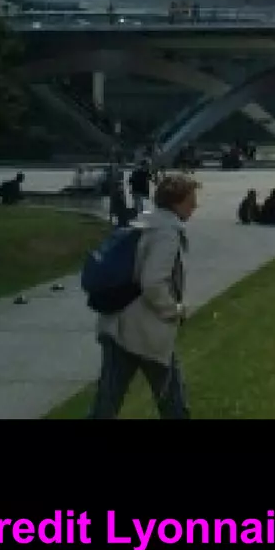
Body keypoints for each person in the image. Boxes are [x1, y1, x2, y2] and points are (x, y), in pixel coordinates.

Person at [88, 171, 197, 420]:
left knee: (106, 404)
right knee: (173, 403)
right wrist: (175, 309)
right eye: (191, 200)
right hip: (146, 330)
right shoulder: (166, 233)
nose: (195, 206)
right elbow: (153, 283)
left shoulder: (144, 222)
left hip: (118, 324)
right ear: (176, 202)